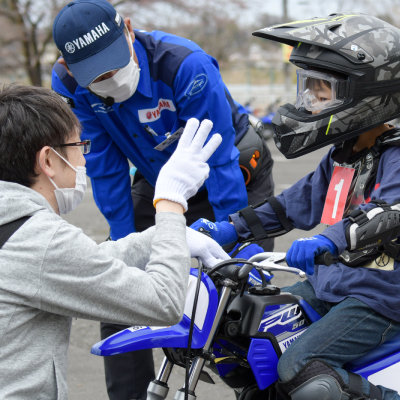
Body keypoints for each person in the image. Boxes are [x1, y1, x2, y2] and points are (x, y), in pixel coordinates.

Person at [194, 14, 400, 400]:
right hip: (331, 285)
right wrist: (231, 227)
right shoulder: (343, 154)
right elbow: (291, 205)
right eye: (308, 89)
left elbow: (388, 212)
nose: (308, 101)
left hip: (380, 297)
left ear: (367, 96)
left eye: (322, 94)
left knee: (298, 369)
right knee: (255, 340)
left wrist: (327, 240)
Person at [50, 1, 273, 396]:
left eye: (115, 67)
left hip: (227, 169)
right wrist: (123, 245)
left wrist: (234, 245)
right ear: (69, 68)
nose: (109, 80)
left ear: (130, 31)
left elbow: (220, 162)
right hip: (160, 180)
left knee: (235, 297)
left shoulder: (185, 66)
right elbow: (104, 166)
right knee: (113, 283)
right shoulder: (68, 85)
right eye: (96, 76)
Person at [0, 84, 229, 399]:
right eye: (80, 145)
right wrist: (171, 203)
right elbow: (163, 302)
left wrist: (162, 238)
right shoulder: (42, 239)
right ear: (49, 160)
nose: (84, 162)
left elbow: (85, 262)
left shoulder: (14, 224)